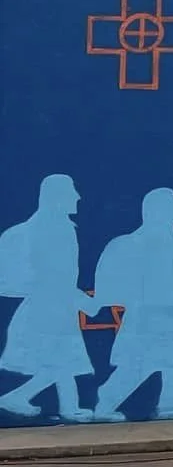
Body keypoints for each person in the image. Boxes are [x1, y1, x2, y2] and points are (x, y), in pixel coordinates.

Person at [91, 188, 173, 421]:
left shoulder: (164, 235)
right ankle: (106, 401)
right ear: (160, 209)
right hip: (153, 314)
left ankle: (170, 405)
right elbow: (170, 283)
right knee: (140, 364)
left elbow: (172, 282)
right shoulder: (159, 239)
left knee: (170, 361)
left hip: (159, 312)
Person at [0, 175, 95, 422]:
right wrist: (84, 301)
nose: (78, 197)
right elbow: (55, 277)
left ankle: (67, 408)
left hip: (50, 306)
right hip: (49, 308)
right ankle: (20, 398)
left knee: (61, 359)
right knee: (62, 358)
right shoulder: (54, 229)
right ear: (58, 197)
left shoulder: (52, 226)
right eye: (72, 191)